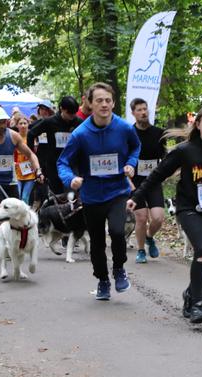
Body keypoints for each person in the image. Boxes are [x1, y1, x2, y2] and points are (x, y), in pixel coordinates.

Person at [127, 105, 202, 323]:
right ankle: (198, 304)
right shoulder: (185, 150)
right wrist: (136, 196)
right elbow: (158, 175)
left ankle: (190, 294)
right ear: (197, 125)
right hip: (189, 208)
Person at [58, 82, 141, 301]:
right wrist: (71, 179)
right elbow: (63, 163)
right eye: (99, 101)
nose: (104, 104)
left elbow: (135, 147)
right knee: (96, 240)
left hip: (117, 191)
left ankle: (119, 269)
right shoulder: (80, 134)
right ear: (89, 104)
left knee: (116, 231)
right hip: (92, 194)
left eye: (108, 100)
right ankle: (103, 280)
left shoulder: (124, 128)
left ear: (113, 103)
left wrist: (131, 163)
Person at [0, 107, 43, 242]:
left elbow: (30, 154)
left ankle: (10, 241)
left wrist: (38, 170)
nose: (2, 125)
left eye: (4, 121)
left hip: (11, 180)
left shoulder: (13, 136)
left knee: (13, 211)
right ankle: (3, 241)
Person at [130, 98, 167, 264]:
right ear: (133, 113)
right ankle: (140, 250)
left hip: (153, 180)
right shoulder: (128, 133)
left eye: (145, 109)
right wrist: (127, 181)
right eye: (139, 110)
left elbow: (165, 158)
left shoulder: (159, 133)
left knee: (158, 218)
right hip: (135, 181)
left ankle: (149, 237)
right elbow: (123, 158)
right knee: (141, 217)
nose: (143, 112)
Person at [27, 96, 83, 195]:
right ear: (62, 109)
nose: (72, 116)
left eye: (74, 113)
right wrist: (32, 155)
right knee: (57, 194)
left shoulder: (79, 122)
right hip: (53, 165)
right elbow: (31, 134)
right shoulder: (49, 122)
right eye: (69, 113)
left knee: (72, 193)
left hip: (72, 165)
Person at [14, 116, 37, 204]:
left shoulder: (33, 137)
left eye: (25, 123)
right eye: (20, 123)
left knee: (25, 197)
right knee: (17, 196)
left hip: (30, 171)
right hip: (17, 171)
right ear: (17, 125)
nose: (23, 126)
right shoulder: (15, 136)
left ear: (28, 124)